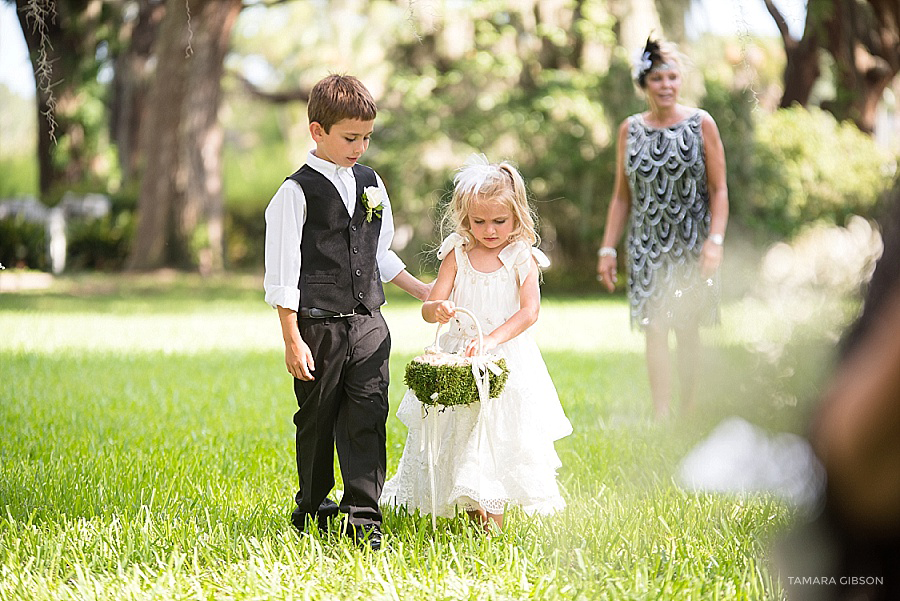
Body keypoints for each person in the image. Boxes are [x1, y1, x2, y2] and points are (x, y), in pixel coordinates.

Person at [263, 74, 430, 550]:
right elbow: (282, 275)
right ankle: (314, 508)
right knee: (317, 418)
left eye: (366, 138)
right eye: (350, 138)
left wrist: (423, 292)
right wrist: (292, 337)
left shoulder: (372, 183)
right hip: (317, 326)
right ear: (318, 131)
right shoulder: (294, 193)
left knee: (368, 415)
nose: (360, 147)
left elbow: (381, 255)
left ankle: (364, 519)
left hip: (370, 324)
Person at [381, 155, 572, 533]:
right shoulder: (458, 253)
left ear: (517, 216)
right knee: (462, 435)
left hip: (504, 358)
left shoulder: (521, 257)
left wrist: (492, 340)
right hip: (459, 358)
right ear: (465, 219)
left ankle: (493, 527)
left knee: (495, 437)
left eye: (499, 221)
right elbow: (431, 305)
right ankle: (473, 514)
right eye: (478, 221)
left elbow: (529, 312)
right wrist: (437, 310)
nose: (488, 230)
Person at [596, 37, 729, 420]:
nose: (667, 85)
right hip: (646, 245)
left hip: (693, 242)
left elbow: (720, 190)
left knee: (687, 328)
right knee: (654, 328)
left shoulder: (701, 123)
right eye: (657, 78)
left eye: (672, 77)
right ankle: (661, 414)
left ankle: (688, 411)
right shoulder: (629, 130)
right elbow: (621, 197)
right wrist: (607, 248)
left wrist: (715, 241)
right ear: (643, 84)